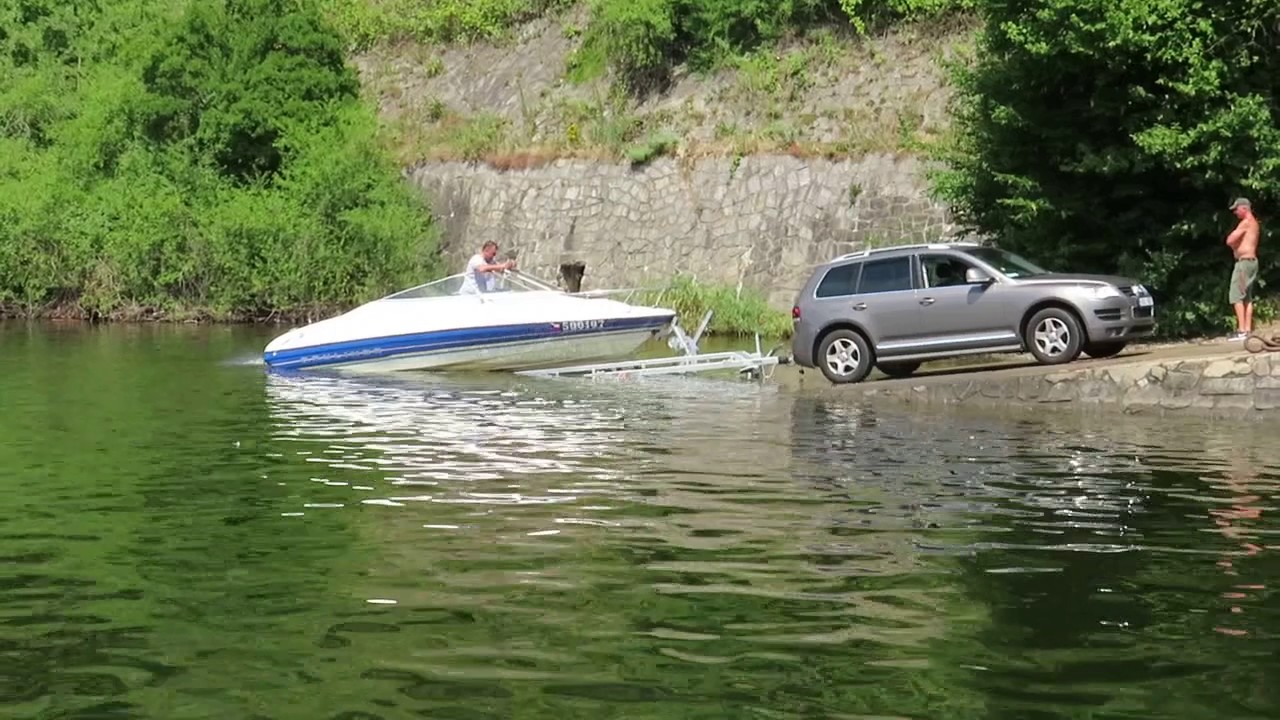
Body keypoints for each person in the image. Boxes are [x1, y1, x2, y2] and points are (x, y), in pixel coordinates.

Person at [1224, 197, 1261, 341]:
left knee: (1236, 295)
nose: (1235, 212)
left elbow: (1230, 240)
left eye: (1237, 209)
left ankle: (1241, 331)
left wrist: (1234, 246)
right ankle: (1247, 329)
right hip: (1251, 262)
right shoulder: (1255, 223)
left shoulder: (1245, 223)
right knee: (1247, 297)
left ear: (1244, 208)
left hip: (1244, 263)